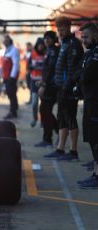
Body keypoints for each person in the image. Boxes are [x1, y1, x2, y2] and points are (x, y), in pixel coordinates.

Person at [44, 17, 84, 160]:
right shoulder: (65, 44)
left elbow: (73, 70)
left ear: (68, 27)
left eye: (62, 29)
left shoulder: (73, 44)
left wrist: (67, 87)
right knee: (62, 117)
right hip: (61, 88)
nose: (60, 32)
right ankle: (60, 148)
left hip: (68, 89)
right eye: (58, 30)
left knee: (70, 117)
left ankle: (73, 151)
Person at [76, 23, 98, 189]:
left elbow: (87, 75)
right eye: (82, 37)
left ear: (95, 37)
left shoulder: (95, 54)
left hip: (96, 103)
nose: (83, 40)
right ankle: (96, 173)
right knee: (92, 139)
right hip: (90, 101)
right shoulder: (89, 54)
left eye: (86, 37)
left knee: (96, 140)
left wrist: (80, 79)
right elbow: (80, 73)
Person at [36, 31, 59, 147]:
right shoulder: (49, 51)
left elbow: (51, 71)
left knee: (45, 111)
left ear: (53, 39)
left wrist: (44, 85)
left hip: (51, 87)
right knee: (45, 111)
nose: (46, 40)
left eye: (49, 38)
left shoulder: (53, 51)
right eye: (45, 38)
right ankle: (51, 135)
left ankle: (49, 137)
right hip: (48, 85)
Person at [28, 38, 46, 127]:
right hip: (34, 81)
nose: (41, 46)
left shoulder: (47, 53)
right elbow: (28, 66)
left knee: (43, 103)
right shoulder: (33, 53)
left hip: (43, 82)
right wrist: (32, 66)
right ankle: (34, 118)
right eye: (39, 44)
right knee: (34, 103)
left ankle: (42, 120)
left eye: (42, 44)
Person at [2, 34, 20, 119]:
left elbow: (16, 64)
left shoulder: (14, 50)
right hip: (6, 76)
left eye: (5, 40)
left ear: (9, 41)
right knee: (10, 94)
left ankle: (13, 112)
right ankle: (14, 109)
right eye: (4, 40)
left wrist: (12, 77)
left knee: (11, 94)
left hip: (10, 77)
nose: (4, 42)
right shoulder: (7, 50)